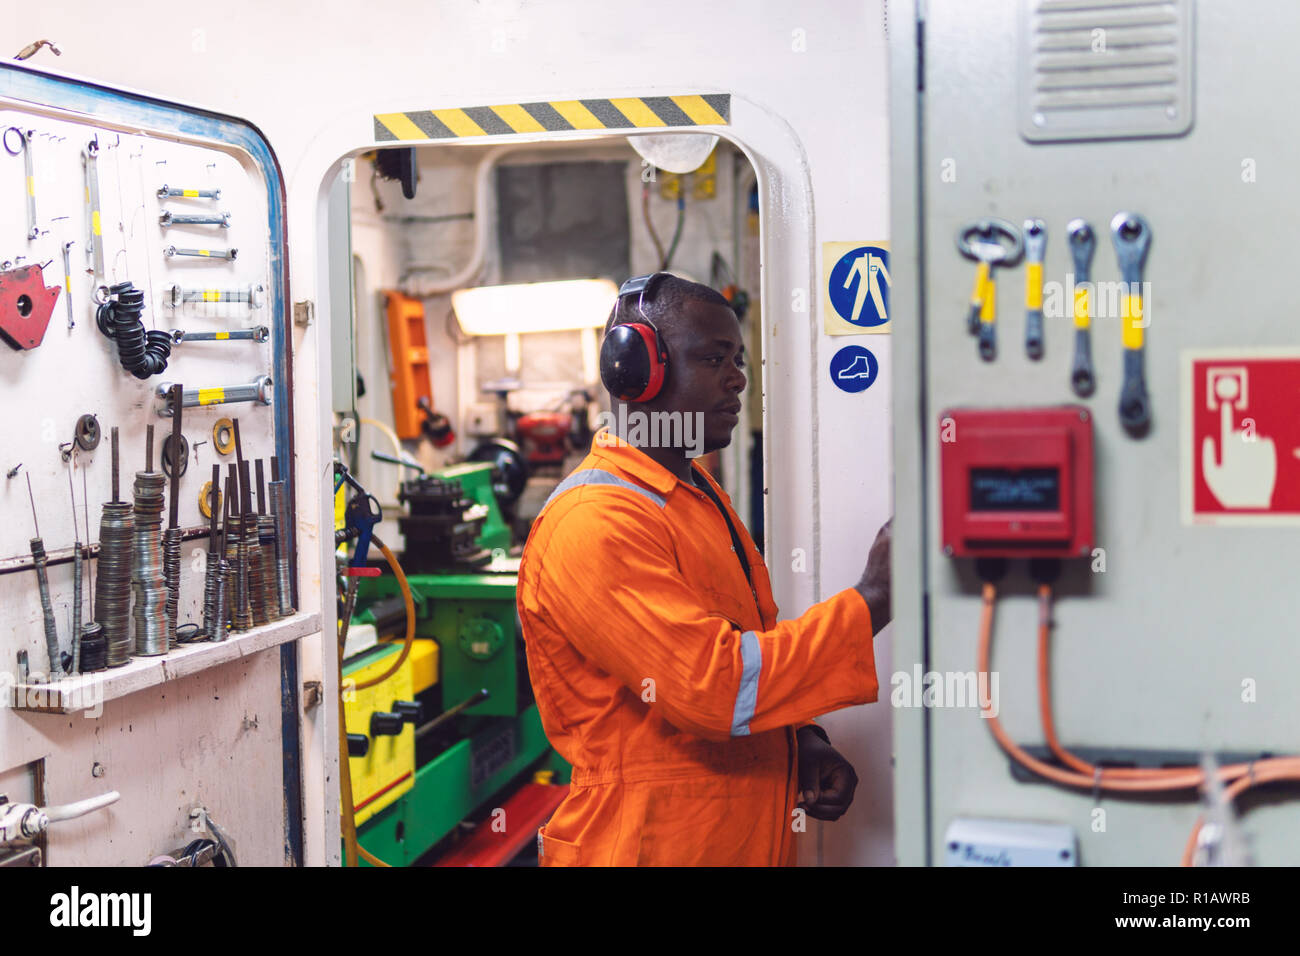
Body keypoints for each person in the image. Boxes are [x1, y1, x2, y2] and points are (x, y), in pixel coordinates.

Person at [516, 272, 891, 866]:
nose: (738, 379)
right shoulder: (595, 521)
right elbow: (713, 687)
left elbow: (751, 648)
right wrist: (873, 598)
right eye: (714, 358)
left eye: (738, 359)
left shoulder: (696, 496)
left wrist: (802, 737)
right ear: (634, 371)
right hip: (644, 847)